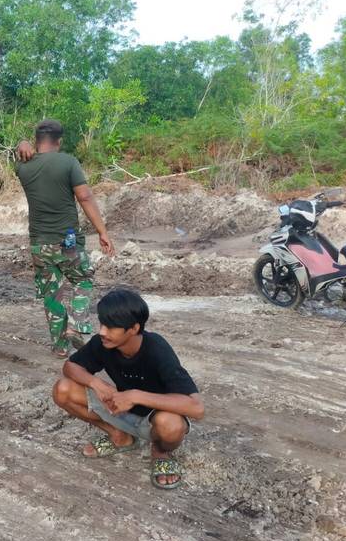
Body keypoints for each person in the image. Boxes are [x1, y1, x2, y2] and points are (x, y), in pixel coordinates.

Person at [52, 289, 204, 489]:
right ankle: (120, 437)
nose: (103, 332)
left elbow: (197, 408)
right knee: (62, 389)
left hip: (154, 421)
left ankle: (160, 452)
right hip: (120, 410)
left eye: (112, 327)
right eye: (102, 323)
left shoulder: (157, 348)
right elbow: (70, 367)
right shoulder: (103, 343)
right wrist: (96, 383)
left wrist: (135, 396)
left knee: (172, 424)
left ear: (133, 328)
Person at [15, 120, 114, 357]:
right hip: (68, 240)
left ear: (36, 141)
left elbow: (18, 152)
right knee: (82, 279)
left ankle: (60, 347)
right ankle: (76, 325)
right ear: (59, 141)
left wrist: (21, 143)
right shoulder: (68, 162)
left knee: (52, 293)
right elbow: (85, 197)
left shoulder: (21, 167)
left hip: (40, 243)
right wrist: (102, 231)